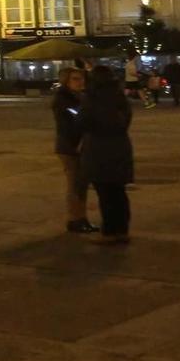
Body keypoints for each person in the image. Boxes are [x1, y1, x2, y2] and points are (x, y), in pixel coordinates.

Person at [78, 65, 133, 244]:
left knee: (105, 193)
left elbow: (83, 121)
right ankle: (122, 230)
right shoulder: (119, 95)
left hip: (98, 148)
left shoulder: (91, 97)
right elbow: (127, 118)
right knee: (119, 192)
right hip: (120, 146)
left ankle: (109, 232)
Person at [50, 67, 96, 235]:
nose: (80, 82)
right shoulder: (63, 98)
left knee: (81, 184)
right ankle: (75, 219)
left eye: (81, 78)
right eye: (75, 79)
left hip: (79, 144)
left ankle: (81, 218)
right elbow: (78, 117)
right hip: (69, 146)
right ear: (66, 81)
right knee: (75, 184)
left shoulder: (79, 96)